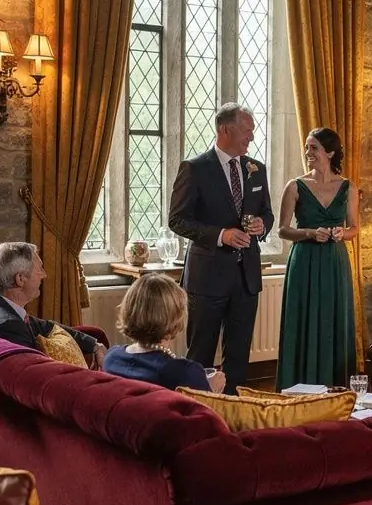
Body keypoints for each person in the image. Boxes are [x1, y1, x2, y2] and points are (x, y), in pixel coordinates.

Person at [168, 102, 274, 392]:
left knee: (238, 357)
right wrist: (221, 235)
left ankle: (234, 409)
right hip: (207, 278)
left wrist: (262, 225)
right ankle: (197, 408)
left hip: (246, 277)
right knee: (200, 353)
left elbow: (267, 213)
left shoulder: (256, 169)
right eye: (247, 130)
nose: (252, 137)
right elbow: (177, 220)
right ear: (225, 130)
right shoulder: (195, 169)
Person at [276, 127, 358, 390]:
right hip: (304, 261)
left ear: (330, 153)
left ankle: (335, 388)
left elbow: (355, 228)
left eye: (314, 148)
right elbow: (282, 230)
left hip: (335, 262)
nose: (307, 152)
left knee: (333, 320)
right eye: (306, 148)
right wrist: (309, 233)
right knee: (302, 320)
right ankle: (297, 387)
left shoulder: (348, 187)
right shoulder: (295, 186)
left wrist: (342, 233)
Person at [0, 241, 105, 365]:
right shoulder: (9, 327)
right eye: (39, 269)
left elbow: (45, 326)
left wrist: (94, 345)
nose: (44, 275)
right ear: (20, 279)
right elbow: (35, 375)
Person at [103, 274, 225, 392]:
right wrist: (209, 390)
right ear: (174, 317)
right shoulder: (185, 373)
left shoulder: (111, 359)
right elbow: (199, 406)